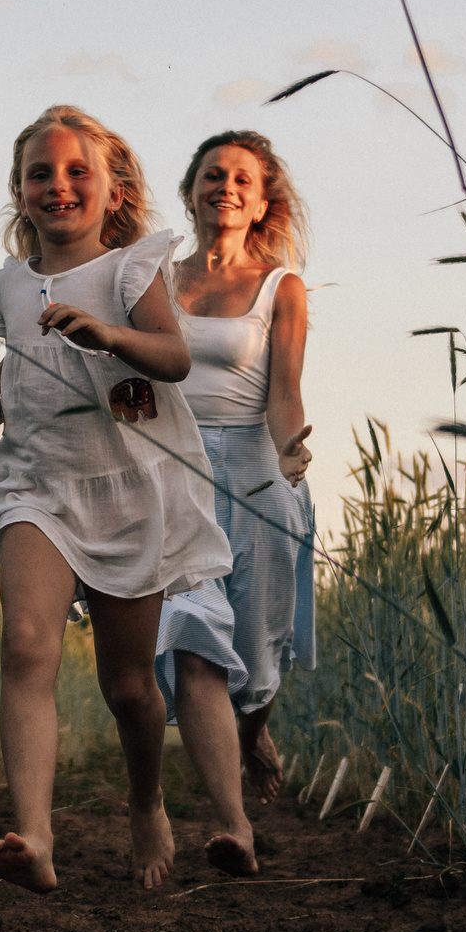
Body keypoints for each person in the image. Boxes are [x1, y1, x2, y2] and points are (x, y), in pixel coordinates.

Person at [0, 105, 260, 893]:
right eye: (40, 174)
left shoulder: (128, 271)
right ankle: (36, 836)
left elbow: (174, 357)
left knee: (128, 687)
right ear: (18, 192)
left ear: (112, 189)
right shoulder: (12, 282)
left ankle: (147, 798)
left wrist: (109, 336)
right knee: (25, 643)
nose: (58, 185)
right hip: (36, 485)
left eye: (77, 171)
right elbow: (19, 360)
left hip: (126, 491)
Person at [153, 129, 316, 807]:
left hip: (256, 468)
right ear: (190, 191)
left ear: (260, 203)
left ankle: (252, 737)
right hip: (169, 466)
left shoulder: (282, 286)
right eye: (214, 175)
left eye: (242, 180)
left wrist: (290, 449)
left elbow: (283, 391)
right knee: (184, 625)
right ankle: (214, 775)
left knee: (255, 631)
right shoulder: (155, 277)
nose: (226, 187)